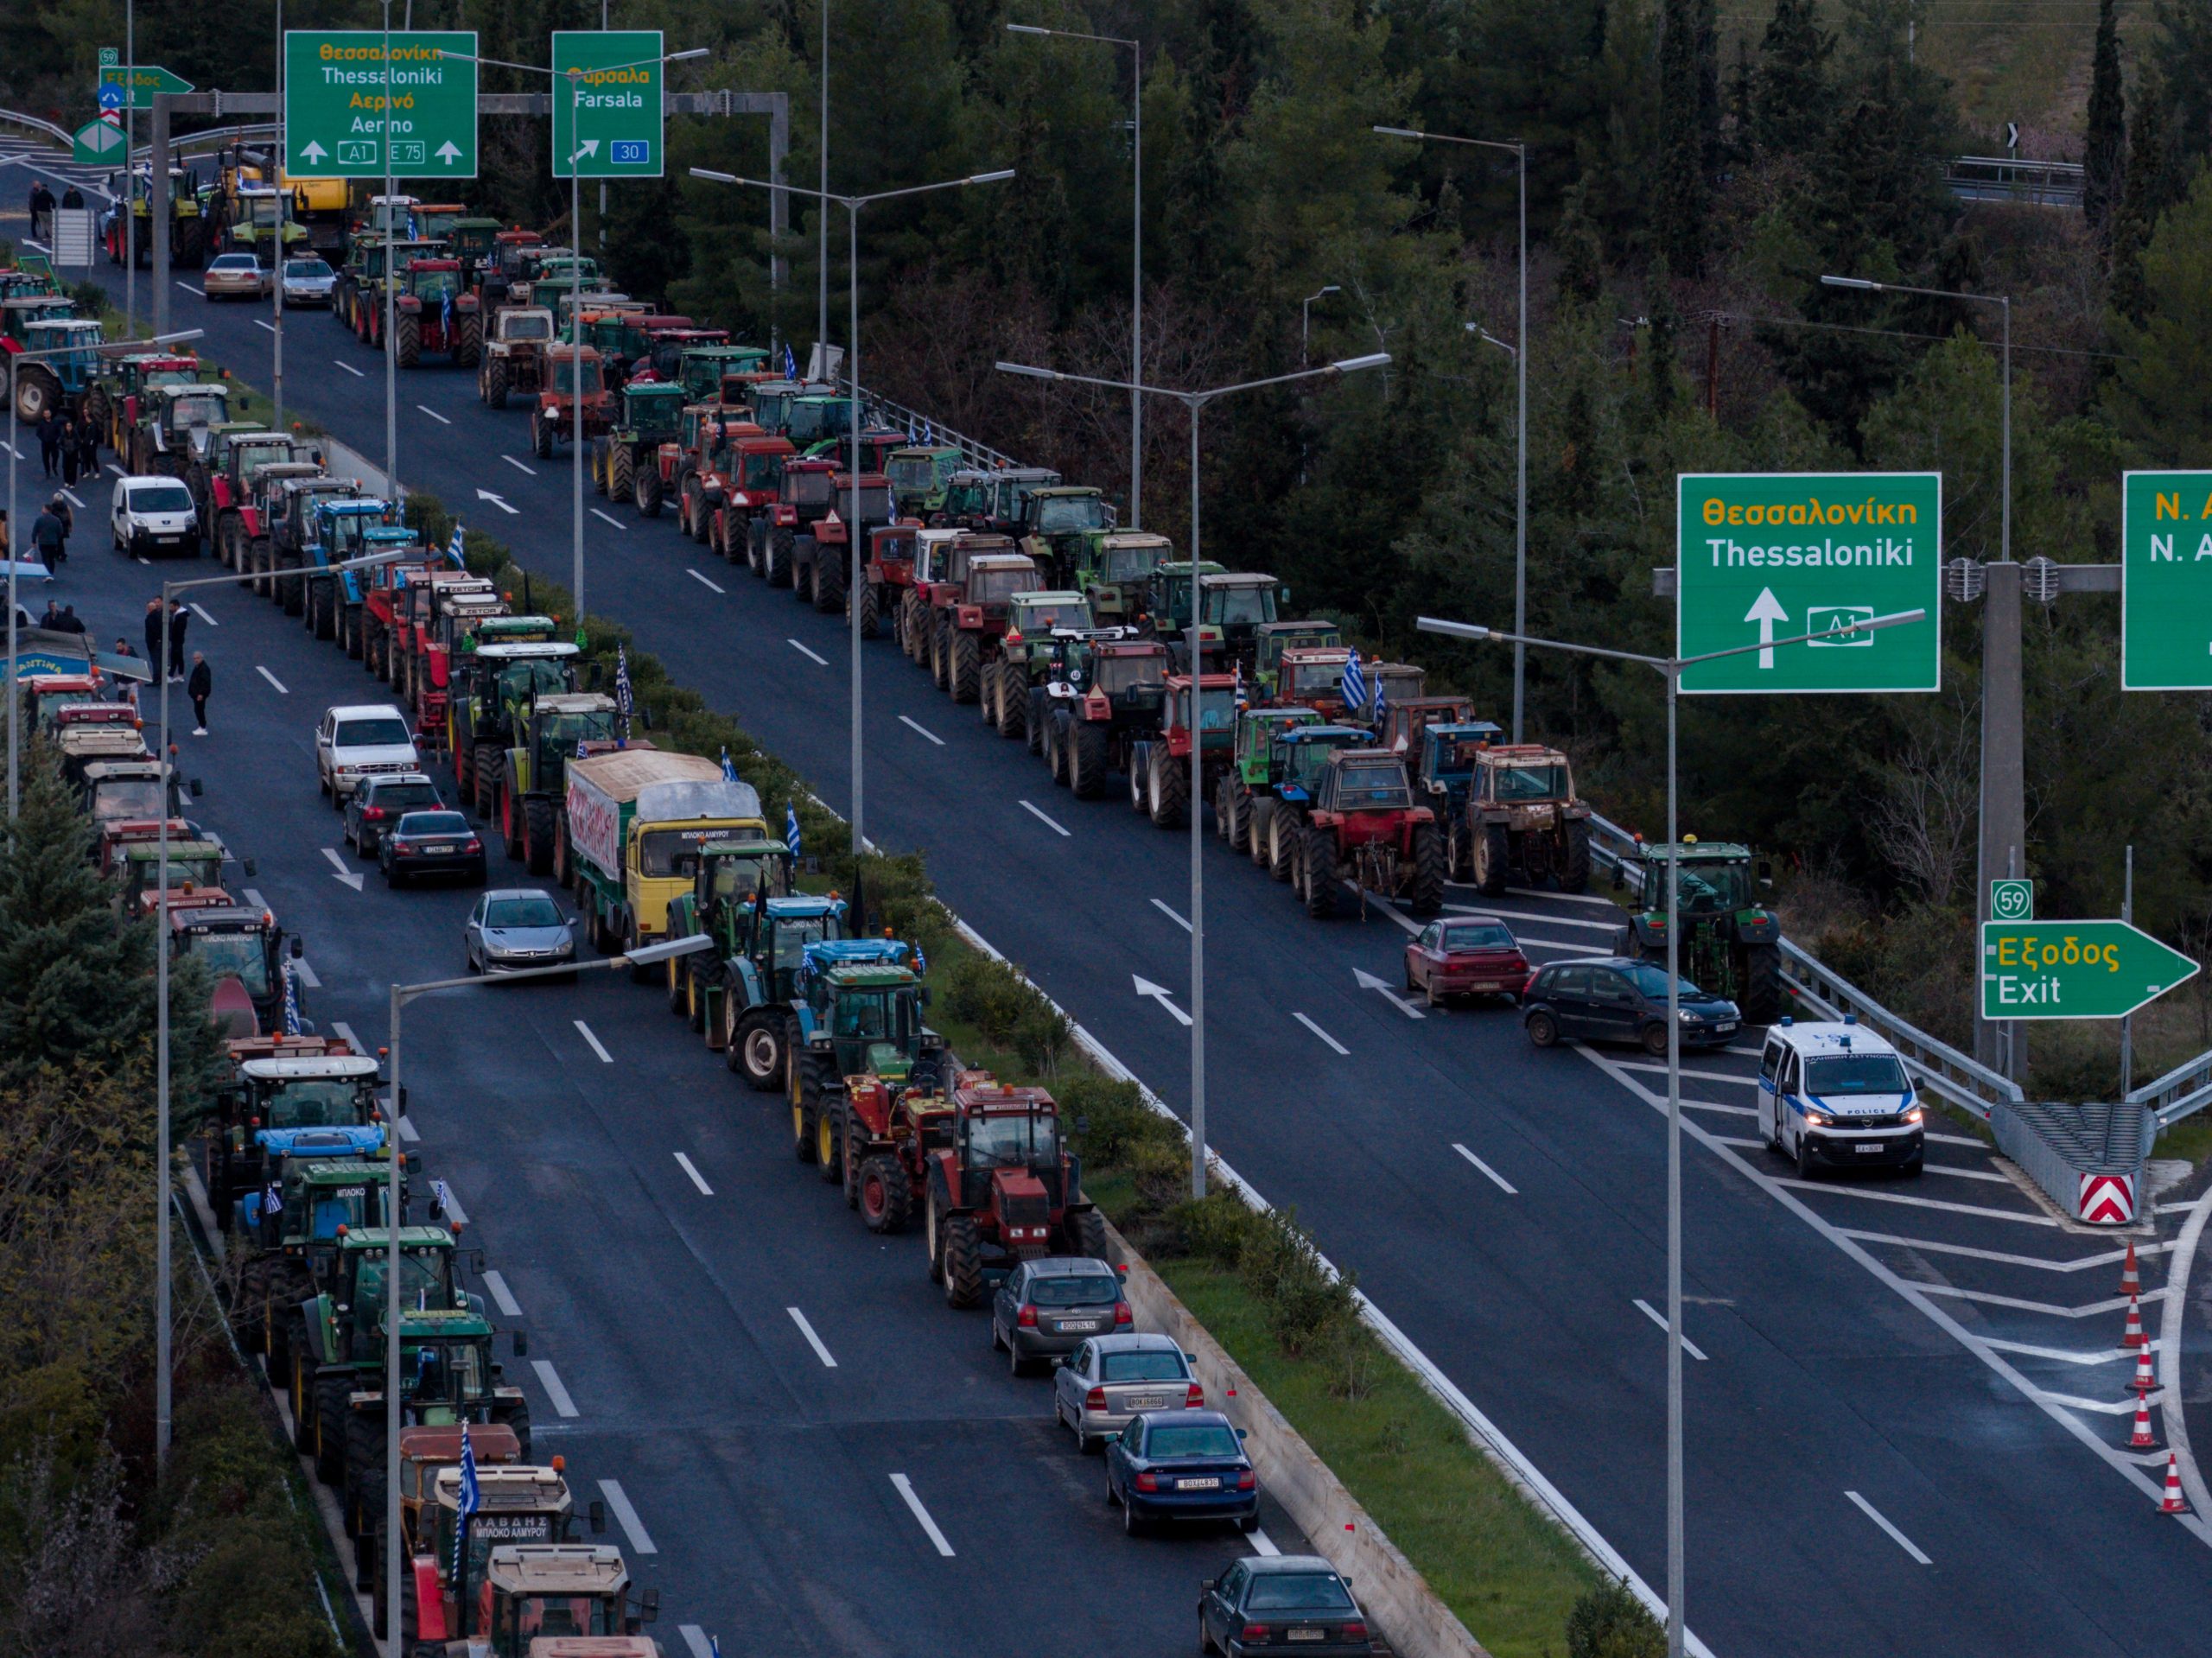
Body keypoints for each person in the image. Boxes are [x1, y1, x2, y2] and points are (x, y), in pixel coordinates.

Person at [29, 504, 65, 571]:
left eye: (43, 508)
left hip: (43, 542)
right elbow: (60, 531)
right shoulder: (57, 520)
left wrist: (33, 541)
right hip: (53, 542)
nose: (42, 510)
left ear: (46, 510)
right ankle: (51, 572)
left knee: (45, 558)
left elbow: (34, 532)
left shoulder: (39, 520)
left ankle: (47, 572)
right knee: (51, 558)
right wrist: (56, 538)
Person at [187, 651, 211, 735]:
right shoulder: (199, 667)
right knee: (198, 710)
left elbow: (205, 682)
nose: (196, 660)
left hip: (199, 694)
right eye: (194, 658)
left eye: (198, 658)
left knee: (199, 710)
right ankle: (201, 726)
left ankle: (202, 727)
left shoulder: (203, 669)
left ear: (201, 658)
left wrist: (201, 694)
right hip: (196, 693)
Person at [168, 597, 189, 681]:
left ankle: (172, 675)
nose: (170, 608)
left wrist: (172, 636)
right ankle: (179, 675)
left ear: (176, 606)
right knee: (178, 657)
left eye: (172, 607)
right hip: (178, 640)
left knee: (175, 657)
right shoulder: (180, 615)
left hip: (177, 640)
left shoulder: (180, 616)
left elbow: (178, 630)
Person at [35, 412, 60, 479]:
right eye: (46, 414)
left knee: (56, 456)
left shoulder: (55, 422)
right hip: (45, 443)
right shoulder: (41, 423)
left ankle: (54, 466)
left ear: (50, 414)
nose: (47, 415)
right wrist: (43, 439)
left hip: (53, 443)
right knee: (45, 458)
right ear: (44, 415)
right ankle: (47, 471)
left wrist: (55, 438)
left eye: (48, 413)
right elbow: (38, 433)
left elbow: (59, 432)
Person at [58, 420, 79, 487]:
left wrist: (75, 449)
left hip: (74, 454)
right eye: (67, 426)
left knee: (73, 468)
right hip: (66, 454)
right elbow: (59, 444)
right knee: (66, 467)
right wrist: (64, 449)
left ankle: (73, 483)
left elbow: (79, 443)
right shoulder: (63, 435)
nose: (69, 427)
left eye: (70, 426)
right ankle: (66, 481)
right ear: (65, 427)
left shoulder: (75, 435)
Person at [143, 597, 164, 663]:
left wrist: (151, 645)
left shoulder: (150, 619)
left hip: (154, 645)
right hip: (160, 643)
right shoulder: (160, 616)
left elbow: (152, 632)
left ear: (149, 609)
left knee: (156, 664)